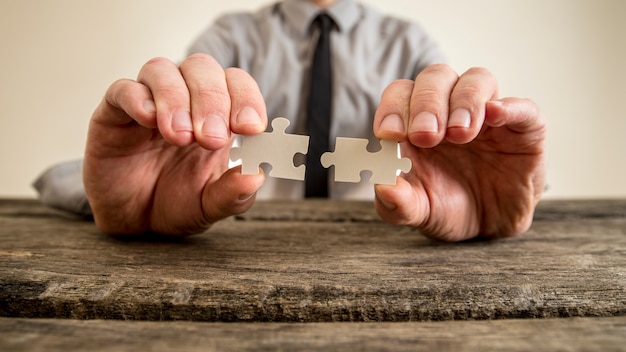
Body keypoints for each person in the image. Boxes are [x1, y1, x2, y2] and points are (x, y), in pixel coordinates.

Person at [78, 0, 546, 242]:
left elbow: (464, 138)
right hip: (245, 247)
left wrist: (489, 193)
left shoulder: (408, 41)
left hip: (375, 249)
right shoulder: (229, 35)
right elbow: (167, 142)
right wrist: (109, 203)